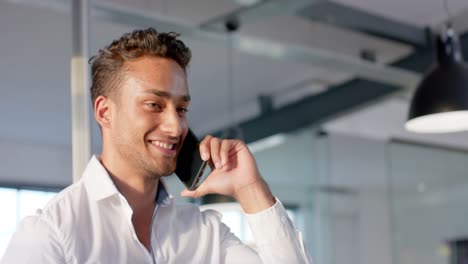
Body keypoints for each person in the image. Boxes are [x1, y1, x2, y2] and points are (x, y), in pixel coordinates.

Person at [1, 28, 312, 263]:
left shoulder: (207, 235)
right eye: (154, 104)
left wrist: (250, 189)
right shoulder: (50, 233)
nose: (175, 126)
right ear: (104, 112)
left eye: (181, 109)